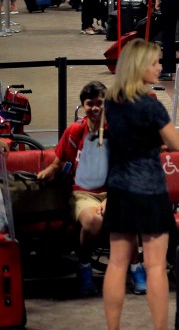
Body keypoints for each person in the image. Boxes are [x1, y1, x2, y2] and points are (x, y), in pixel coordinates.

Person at [35, 81, 148, 296]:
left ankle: (136, 270)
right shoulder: (75, 131)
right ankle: (85, 267)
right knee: (93, 223)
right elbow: (59, 162)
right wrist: (49, 170)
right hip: (82, 193)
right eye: (90, 104)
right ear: (83, 107)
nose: (95, 108)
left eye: (100, 103)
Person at [102, 39, 179, 330]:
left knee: (117, 263)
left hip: (119, 189)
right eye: (155, 63)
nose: (160, 67)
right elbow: (176, 145)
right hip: (150, 190)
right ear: (139, 67)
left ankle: (113, 328)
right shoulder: (150, 104)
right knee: (156, 265)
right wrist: (157, 144)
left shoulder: (112, 100)